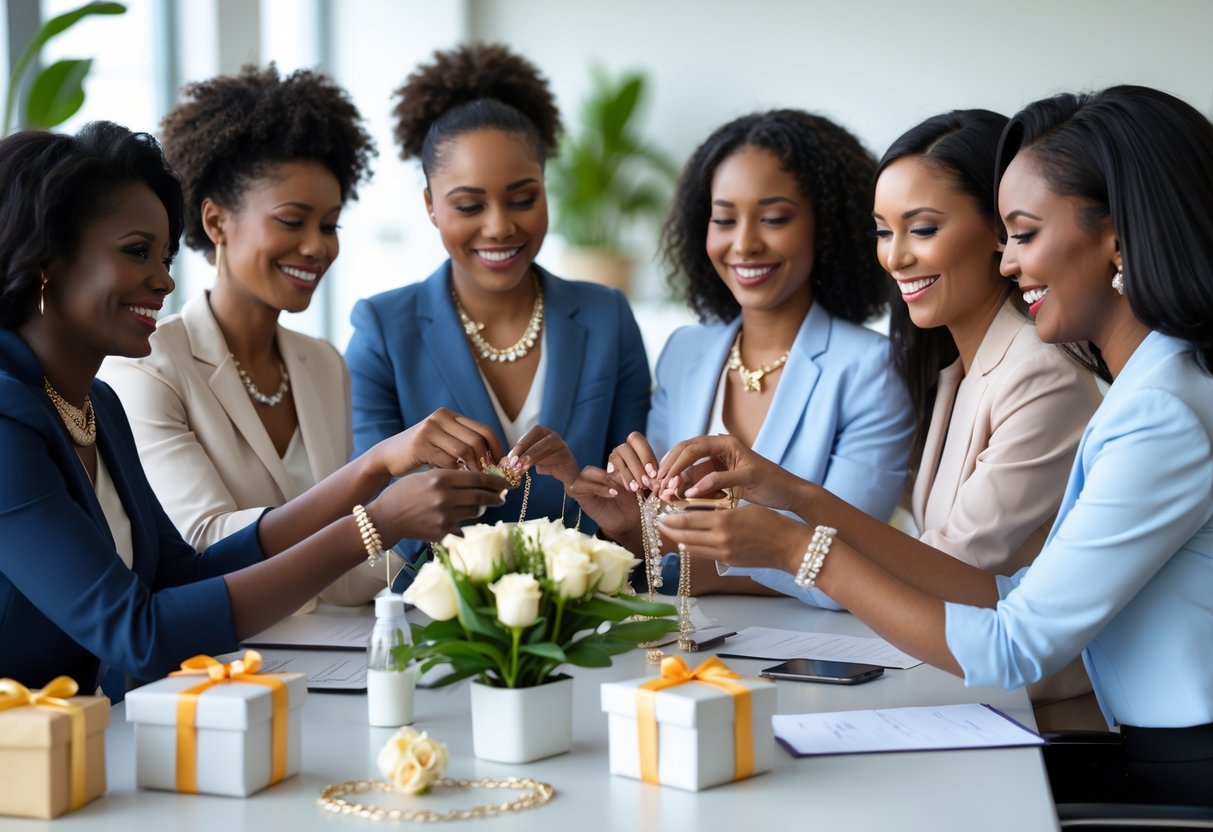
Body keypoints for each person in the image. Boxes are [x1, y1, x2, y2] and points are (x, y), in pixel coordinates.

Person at [655, 85, 1213, 805]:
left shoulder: (1157, 413)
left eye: (1024, 233)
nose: (1011, 265)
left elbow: (1011, 643)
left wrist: (797, 551)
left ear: (1116, 235)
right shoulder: (1153, 384)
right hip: (1141, 747)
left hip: (1173, 772)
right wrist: (788, 493)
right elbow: (1005, 595)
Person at [0, 123, 506, 700]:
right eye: (137, 252)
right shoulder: (10, 416)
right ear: (47, 259)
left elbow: (184, 573)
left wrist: (373, 469)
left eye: (164, 256)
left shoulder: (98, 408)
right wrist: (378, 523)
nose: (163, 279)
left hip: (84, 743)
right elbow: (136, 631)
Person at [101, 65, 423, 604]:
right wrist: (380, 493)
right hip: (219, 668)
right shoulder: (148, 367)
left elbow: (343, 575)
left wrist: (451, 547)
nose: (318, 247)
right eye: (293, 222)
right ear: (216, 222)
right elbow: (203, 546)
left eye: (329, 225)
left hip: (331, 660)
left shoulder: (323, 364)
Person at [574, 109, 913, 602]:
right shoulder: (684, 353)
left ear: (826, 225)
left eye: (774, 218)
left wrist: (690, 563)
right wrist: (628, 524)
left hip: (810, 654)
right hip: (681, 643)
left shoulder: (871, 370)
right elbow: (657, 530)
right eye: (724, 219)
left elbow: (856, 562)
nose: (745, 244)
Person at [345, 43, 651, 574]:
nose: (499, 226)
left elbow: (638, 504)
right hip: (436, 616)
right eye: (468, 206)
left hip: (592, 610)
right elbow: (377, 514)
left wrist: (587, 485)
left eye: (522, 199)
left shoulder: (607, 317)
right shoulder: (381, 330)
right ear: (430, 208)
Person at [874, 111, 1104, 728]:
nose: (896, 257)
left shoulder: (1042, 372)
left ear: (1001, 232)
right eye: (882, 231)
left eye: (921, 229)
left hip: (1044, 718)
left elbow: (950, 570)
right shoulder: (957, 371)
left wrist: (794, 533)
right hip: (971, 696)